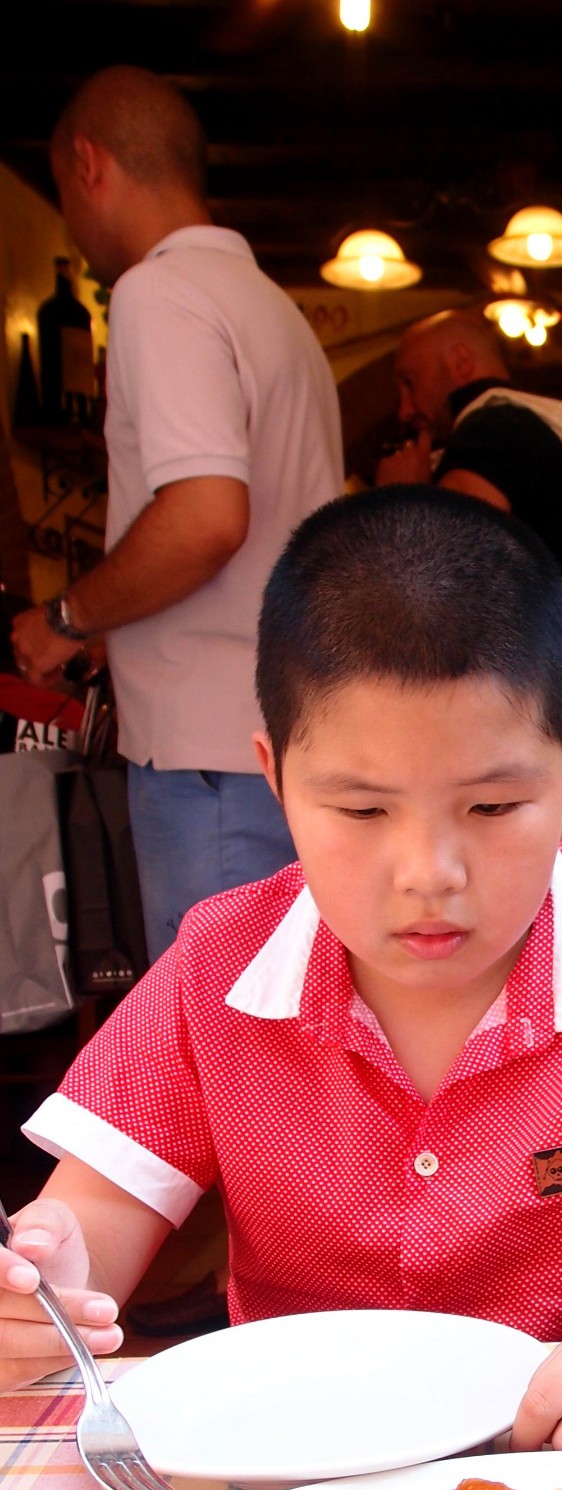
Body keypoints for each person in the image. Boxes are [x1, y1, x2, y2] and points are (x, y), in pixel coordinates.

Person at [0, 489, 562, 1456]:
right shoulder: (217, 967)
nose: (430, 874)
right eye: (361, 812)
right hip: (291, 1475)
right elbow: (85, 1227)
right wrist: (39, 1286)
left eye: (492, 807)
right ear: (274, 778)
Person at [11, 67, 343, 960]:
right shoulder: (275, 313)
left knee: (224, 1059)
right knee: (286, 1048)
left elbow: (206, 518)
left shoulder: (159, 295)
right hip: (285, 736)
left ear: (89, 165)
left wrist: (66, 618)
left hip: (212, 759)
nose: (75, 229)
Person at [379, 309, 562, 673]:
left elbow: (446, 587)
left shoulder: (492, 427)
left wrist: (402, 499)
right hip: (555, 696)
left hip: (531, 709)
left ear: (460, 362)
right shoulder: (519, 428)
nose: (404, 410)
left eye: (410, 382)